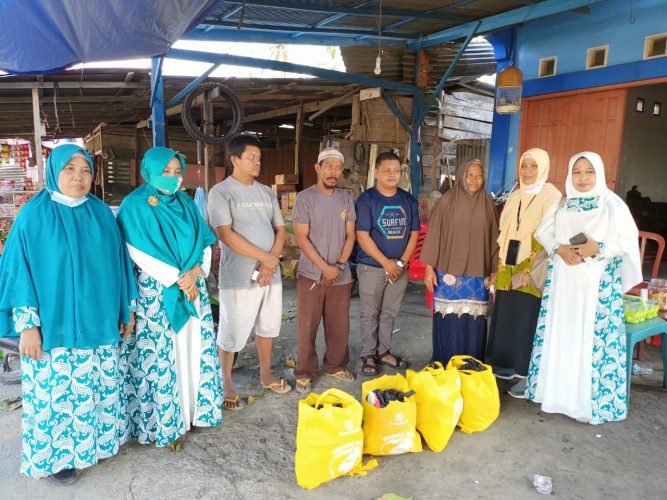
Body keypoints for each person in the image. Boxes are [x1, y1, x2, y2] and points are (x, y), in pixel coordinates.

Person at [0, 144, 136, 484]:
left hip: (99, 321)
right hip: (53, 327)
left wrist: (126, 309)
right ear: (54, 171)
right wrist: (27, 326)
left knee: (97, 388)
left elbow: (119, 267)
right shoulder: (33, 214)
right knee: (57, 394)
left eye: (85, 170)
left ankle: (95, 446)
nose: (78, 177)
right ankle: (57, 459)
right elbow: (18, 273)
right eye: (70, 169)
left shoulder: (102, 214)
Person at [117, 147, 222, 448]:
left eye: (177, 172)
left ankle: (191, 414)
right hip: (157, 293)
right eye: (166, 171)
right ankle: (166, 422)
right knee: (165, 357)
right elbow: (136, 249)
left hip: (192, 288)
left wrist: (196, 272)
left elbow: (204, 241)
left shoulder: (187, 204)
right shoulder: (134, 205)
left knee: (191, 349)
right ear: (150, 171)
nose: (173, 178)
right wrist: (178, 278)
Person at [526, 152, 642, 425]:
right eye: (577, 172)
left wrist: (598, 247)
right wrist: (559, 248)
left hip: (596, 288)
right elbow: (543, 232)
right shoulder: (563, 203)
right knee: (564, 336)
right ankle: (559, 398)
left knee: (588, 341)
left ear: (599, 173)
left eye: (589, 171)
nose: (583, 178)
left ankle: (588, 405)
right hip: (564, 286)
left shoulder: (612, 205)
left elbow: (627, 243)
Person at [207, 134, 290, 410]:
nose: (257, 162)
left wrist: (271, 260)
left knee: (268, 325)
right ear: (234, 159)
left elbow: (281, 230)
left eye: (259, 158)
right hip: (238, 277)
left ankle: (266, 374)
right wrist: (265, 258)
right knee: (233, 329)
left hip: (270, 273)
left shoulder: (266, 191)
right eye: (251, 157)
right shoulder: (221, 192)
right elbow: (226, 235)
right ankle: (226, 381)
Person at [486, 148, 561, 397]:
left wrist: (528, 271)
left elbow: (551, 236)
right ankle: (504, 366)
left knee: (527, 315)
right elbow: (504, 234)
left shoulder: (552, 195)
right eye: (524, 166)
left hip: (533, 264)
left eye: (534, 166)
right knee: (506, 312)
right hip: (507, 263)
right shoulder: (515, 195)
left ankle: (525, 370)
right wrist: (498, 267)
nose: (528, 172)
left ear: (543, 168)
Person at [420, 159, 499, 365]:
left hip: (477, 277)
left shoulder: (488, 205)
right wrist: (429, 269)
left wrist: (494, 271)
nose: (474, 179)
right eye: (470, 174)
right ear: (462, 175)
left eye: (479, 175)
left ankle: (471, 369)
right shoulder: (446, 201)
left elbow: (493, 240)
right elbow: (434, 235)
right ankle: (444, 365)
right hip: (448, 275)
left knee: (473, 323)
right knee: (449, 322)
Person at [293, 147, 356, 393]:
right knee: (307, 326)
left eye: (338, 167)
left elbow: (350, 235)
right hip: (311, 274)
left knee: (339, 326)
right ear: (318, 168)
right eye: (328, 166)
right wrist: (324, 268)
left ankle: (336, 365)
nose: (333, 172)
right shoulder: (304, 198)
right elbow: (301, 237)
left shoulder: (346, 199)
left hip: (340, 275)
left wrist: (338, 266)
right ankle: (305, 371)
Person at [355, 151, 419, 376]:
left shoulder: (408, 200)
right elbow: (362, 235)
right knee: (370, 313)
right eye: (387, 170)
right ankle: (368, 354)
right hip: (372, 267)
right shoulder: (367, 200)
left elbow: (414, 233)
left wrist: (400, 263)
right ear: (376, 173)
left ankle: (384, 352)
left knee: (389, 312)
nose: (392, 175)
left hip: (399, 268)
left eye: (396, 170)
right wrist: (386, 263)